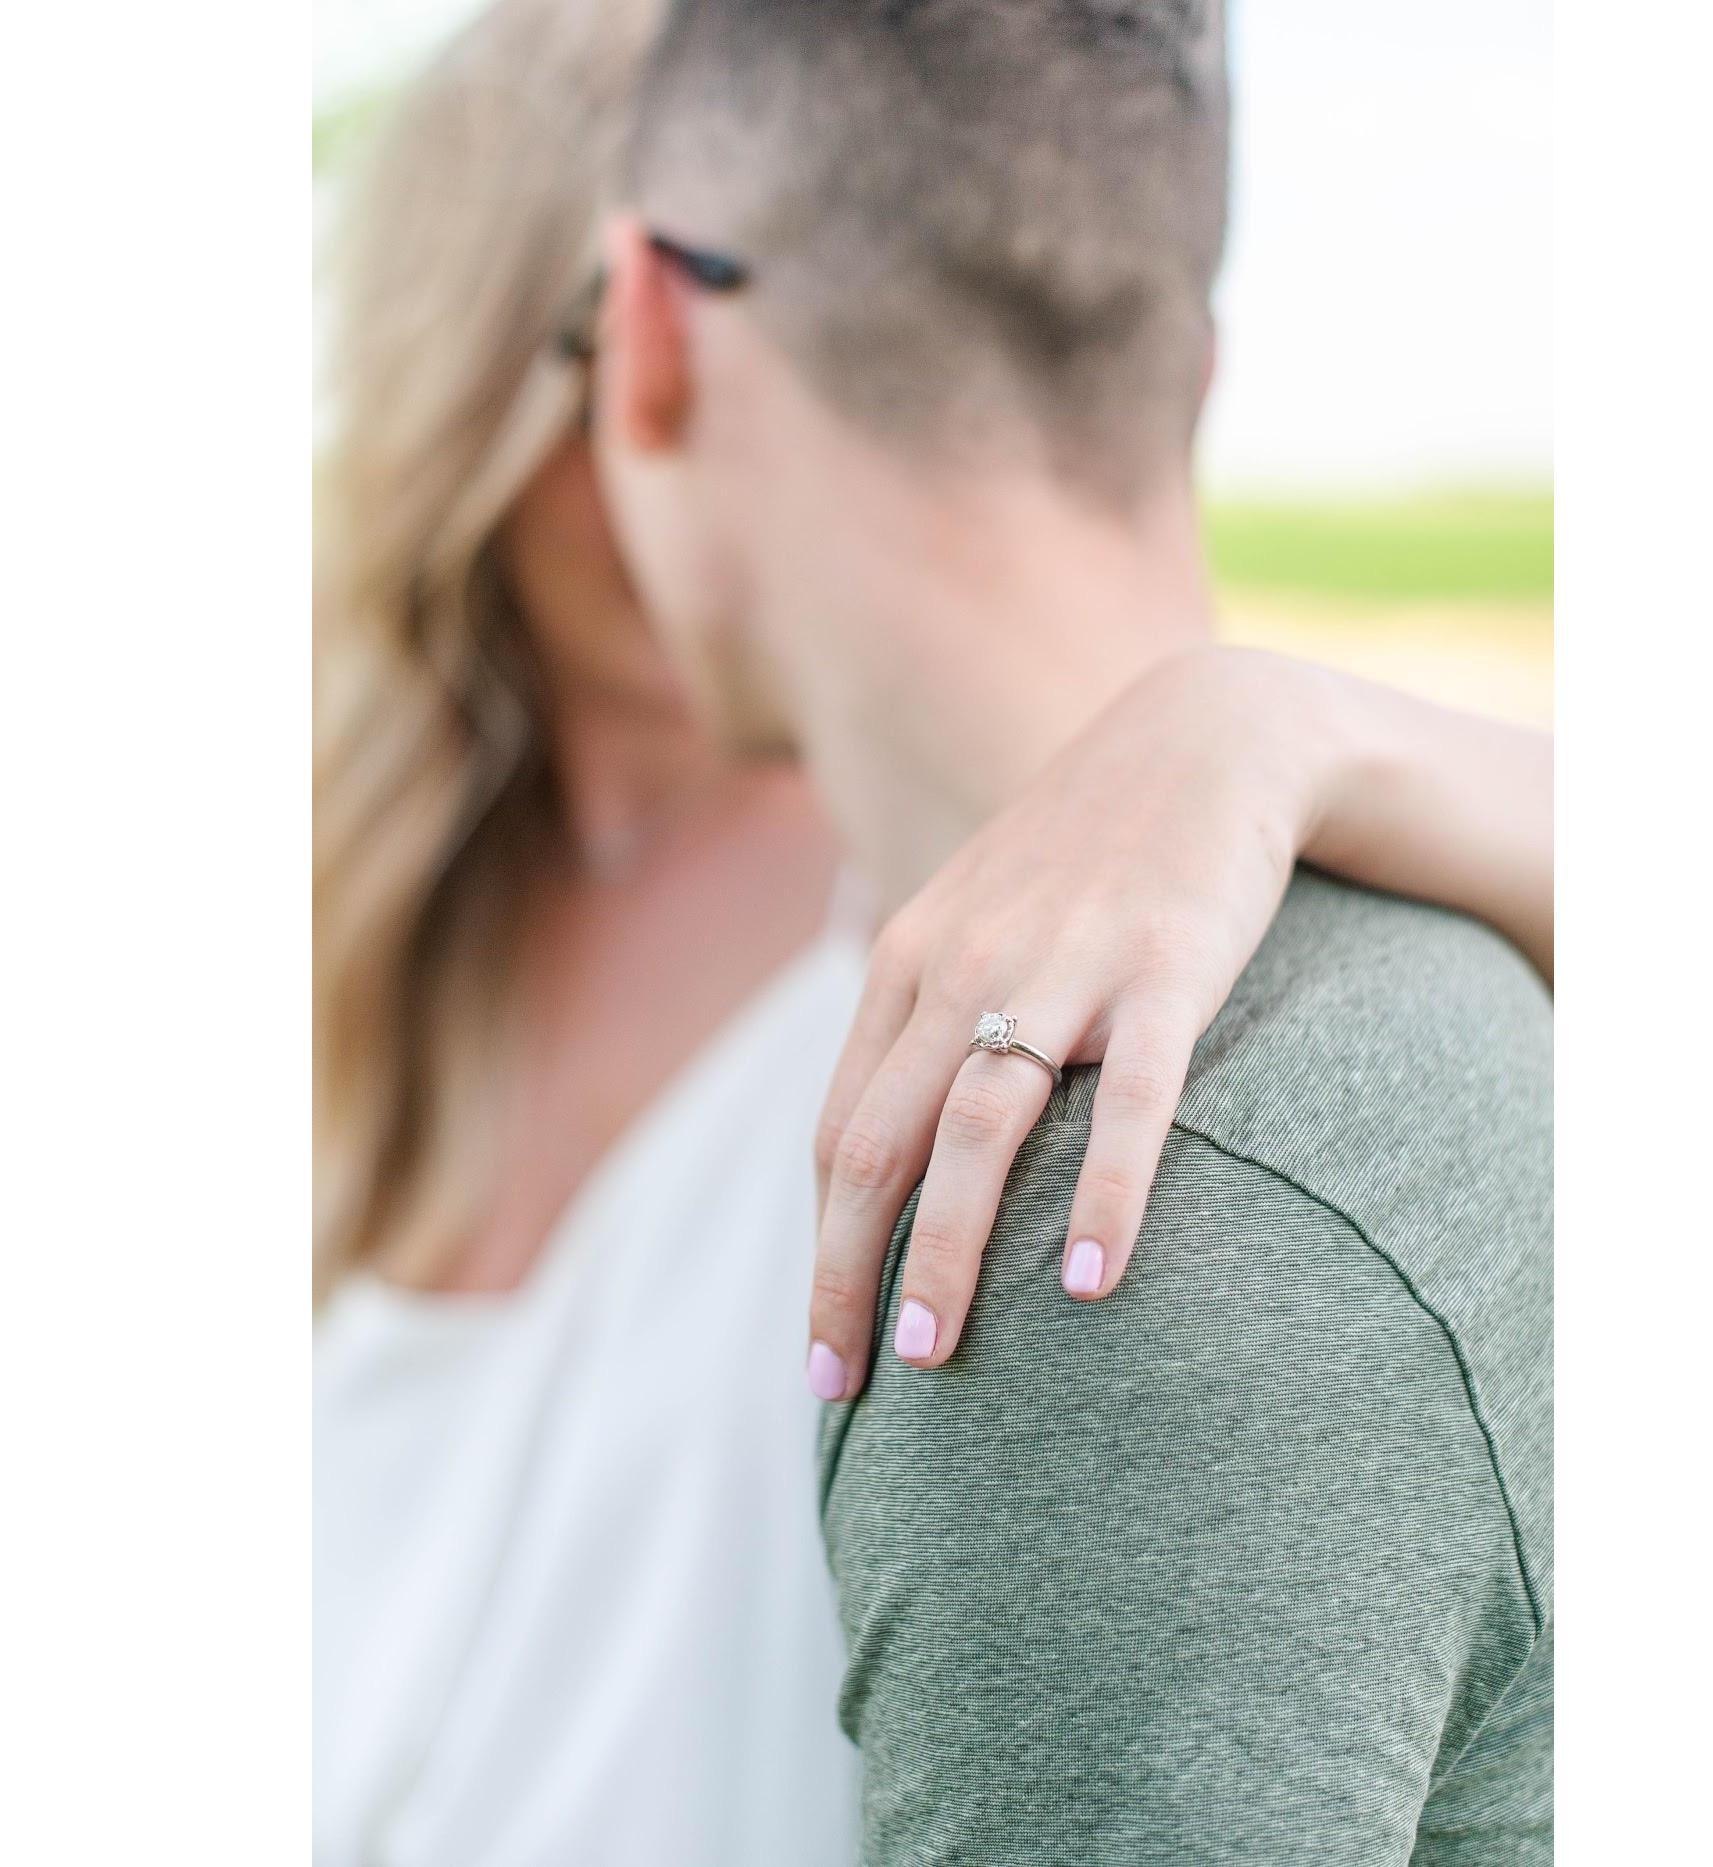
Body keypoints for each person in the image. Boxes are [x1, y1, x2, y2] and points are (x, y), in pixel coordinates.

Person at [314, 0, 1551, 1860]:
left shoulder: (1067, 1101)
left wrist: (1299, 720)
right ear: (1188, 362)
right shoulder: (408, 924)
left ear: (645, 340)